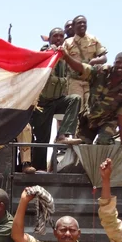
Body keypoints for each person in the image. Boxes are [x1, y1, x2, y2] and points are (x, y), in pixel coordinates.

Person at [60, 49, 122, 146]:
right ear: (114, 63)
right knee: (80, 146)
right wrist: (66, 57)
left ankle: (108, 154)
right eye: (118, 62)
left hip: (108, 121)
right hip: (89, 118)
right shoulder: (101, 71)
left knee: (103, 142)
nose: (121, 66)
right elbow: (81, 68)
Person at [30, 28, 81, 169]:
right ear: (50, 38)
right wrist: (50, 51)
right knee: (42, 139)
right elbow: (40, 57)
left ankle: (62, 135)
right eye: (55, 36)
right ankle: (39, 169)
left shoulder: (65, 56)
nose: (58, 38)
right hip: (42, 103)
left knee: (75, 99)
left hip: (57, 100)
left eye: (61, 36)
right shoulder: (46, 51)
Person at [63, 15, 107, 108]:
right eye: (79, 23)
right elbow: (63, 60)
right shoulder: (67, 43)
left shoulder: (93, 39)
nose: (82, 24)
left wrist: (94, 61)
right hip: (75, 81)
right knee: (76, 108)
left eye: (84, 22)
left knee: (91, 108)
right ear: (74, 26)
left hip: (91, 80)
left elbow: (104, 58)